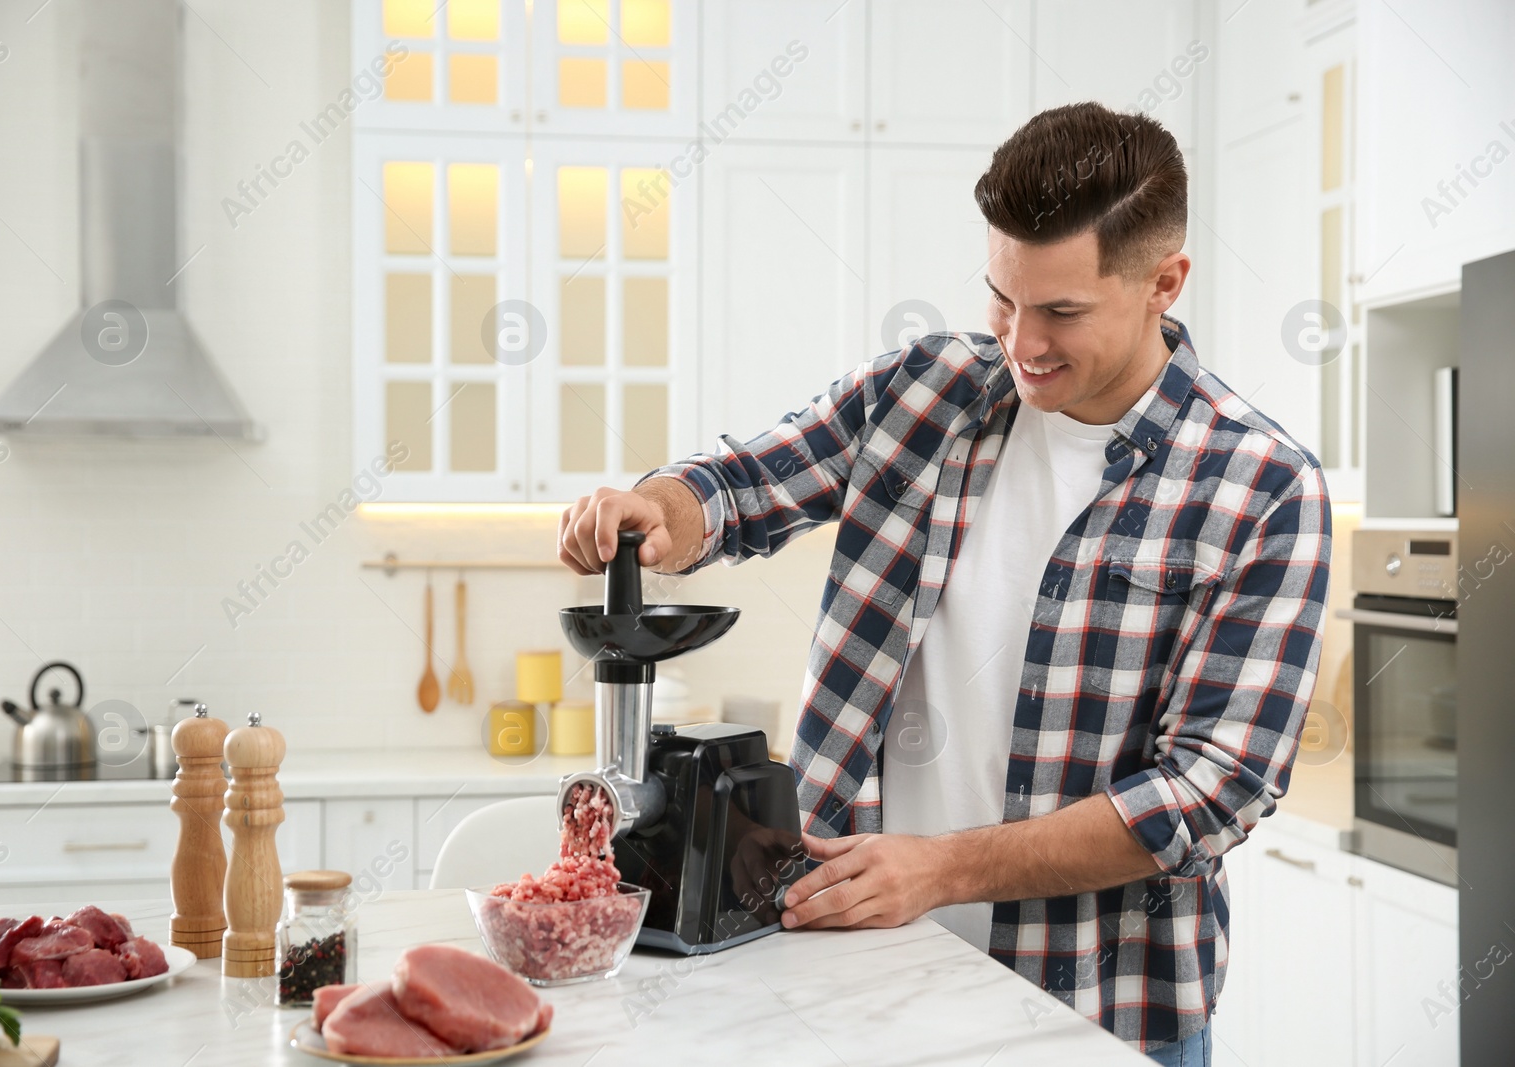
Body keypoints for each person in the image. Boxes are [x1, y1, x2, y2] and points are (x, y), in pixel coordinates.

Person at [557, 101, 1331, 1064]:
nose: (1022, 344)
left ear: (1164, 282)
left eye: (1062, 311)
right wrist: (661, 510)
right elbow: (743, 485)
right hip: (857, 977)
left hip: (1100, 1005)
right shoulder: (926, 392)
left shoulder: (1259, 485)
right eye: (1004, 299)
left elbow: (1210, 792)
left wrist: (940, 869)